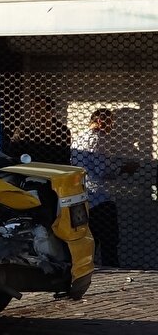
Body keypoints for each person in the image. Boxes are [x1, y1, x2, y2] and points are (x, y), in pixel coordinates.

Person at [70, 108, 138, 267]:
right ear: (101, 121)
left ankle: (87, 273)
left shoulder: (78, 139)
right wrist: (125, 168)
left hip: (83, 197)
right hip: (101, 199)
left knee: (89, 242)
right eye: (111, 122)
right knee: (109, 242)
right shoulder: (98, 140)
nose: (112, 126)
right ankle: (113, 276)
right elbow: (104, 170)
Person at [8, 94, 71, 165]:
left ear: (51, 111)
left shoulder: (62, 131)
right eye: (32, 109)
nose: (33, 112)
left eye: (37, 108)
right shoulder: (24, 129)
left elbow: (65, 159)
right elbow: (13, 154)